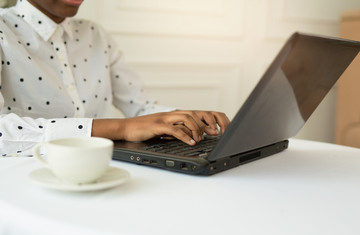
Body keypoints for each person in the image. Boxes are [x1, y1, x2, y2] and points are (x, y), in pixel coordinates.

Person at [0, 0, 230, 156]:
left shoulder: (95, 34)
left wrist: (182, 118)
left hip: (99, 174)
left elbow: (140, 108)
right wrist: (122, 128)